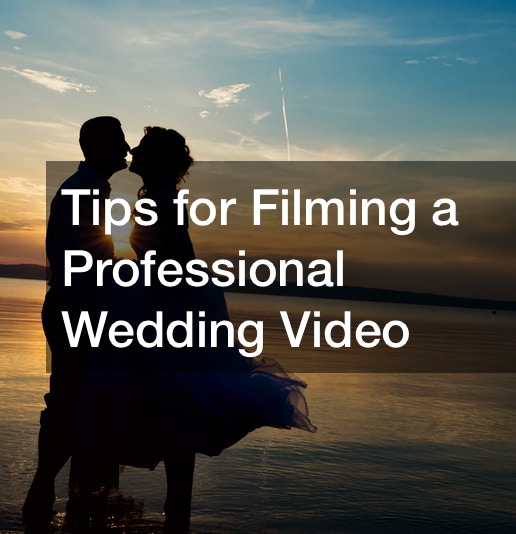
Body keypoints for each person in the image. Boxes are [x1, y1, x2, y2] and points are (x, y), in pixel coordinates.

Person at [70, 126, 316, 533]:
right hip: (165, 307)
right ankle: (175, 515)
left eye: (142, 147)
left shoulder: (163, 201)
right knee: (171, 414)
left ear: (158, 159)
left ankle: (175, 513)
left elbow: (178, 260)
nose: (133, 150)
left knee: (176, 411)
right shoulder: (157, 198)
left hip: (172, 312)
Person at [23, 116, 130, 530]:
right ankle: (46, 492)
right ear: (98, 147)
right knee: (69, 403)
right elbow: (78, 261)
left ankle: (70, 496)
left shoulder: (90, 188)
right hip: (74, 309)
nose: (126, 149)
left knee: (79, 404)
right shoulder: (82, 190)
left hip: (79, 308)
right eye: (119, 141)